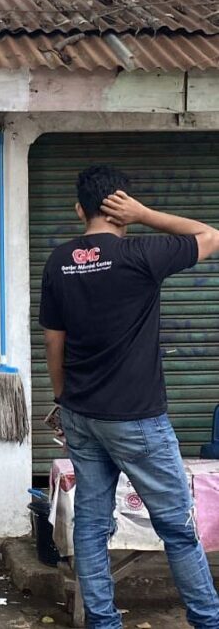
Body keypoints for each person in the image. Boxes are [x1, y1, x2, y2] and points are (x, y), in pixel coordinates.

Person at [39, 165, 219, 629]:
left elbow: (53, 341)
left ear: (81, 209)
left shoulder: (59, 260)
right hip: (137, 418)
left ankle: (102, 622)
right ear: (122, 206)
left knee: (93, 527)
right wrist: (145, 214)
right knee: (177, 528)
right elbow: (210, 235)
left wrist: (63, 399)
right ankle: (207, 620)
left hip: (81, 413)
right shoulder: (142, 252)